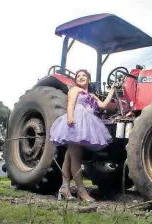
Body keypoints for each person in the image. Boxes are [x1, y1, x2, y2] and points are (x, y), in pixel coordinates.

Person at [50, 69, 115, 202]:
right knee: (76, 157)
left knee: (69, 156)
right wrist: (70, 118)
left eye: (83, 75)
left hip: (88, 122)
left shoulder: (92, 95)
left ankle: (64, 188)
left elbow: (103, 105)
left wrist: (111, 92)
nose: (80, 77)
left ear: (89, 79)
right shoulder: (74, 90)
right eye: (78, 76)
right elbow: (71, 104)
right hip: (76, 121)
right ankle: (81, 190)